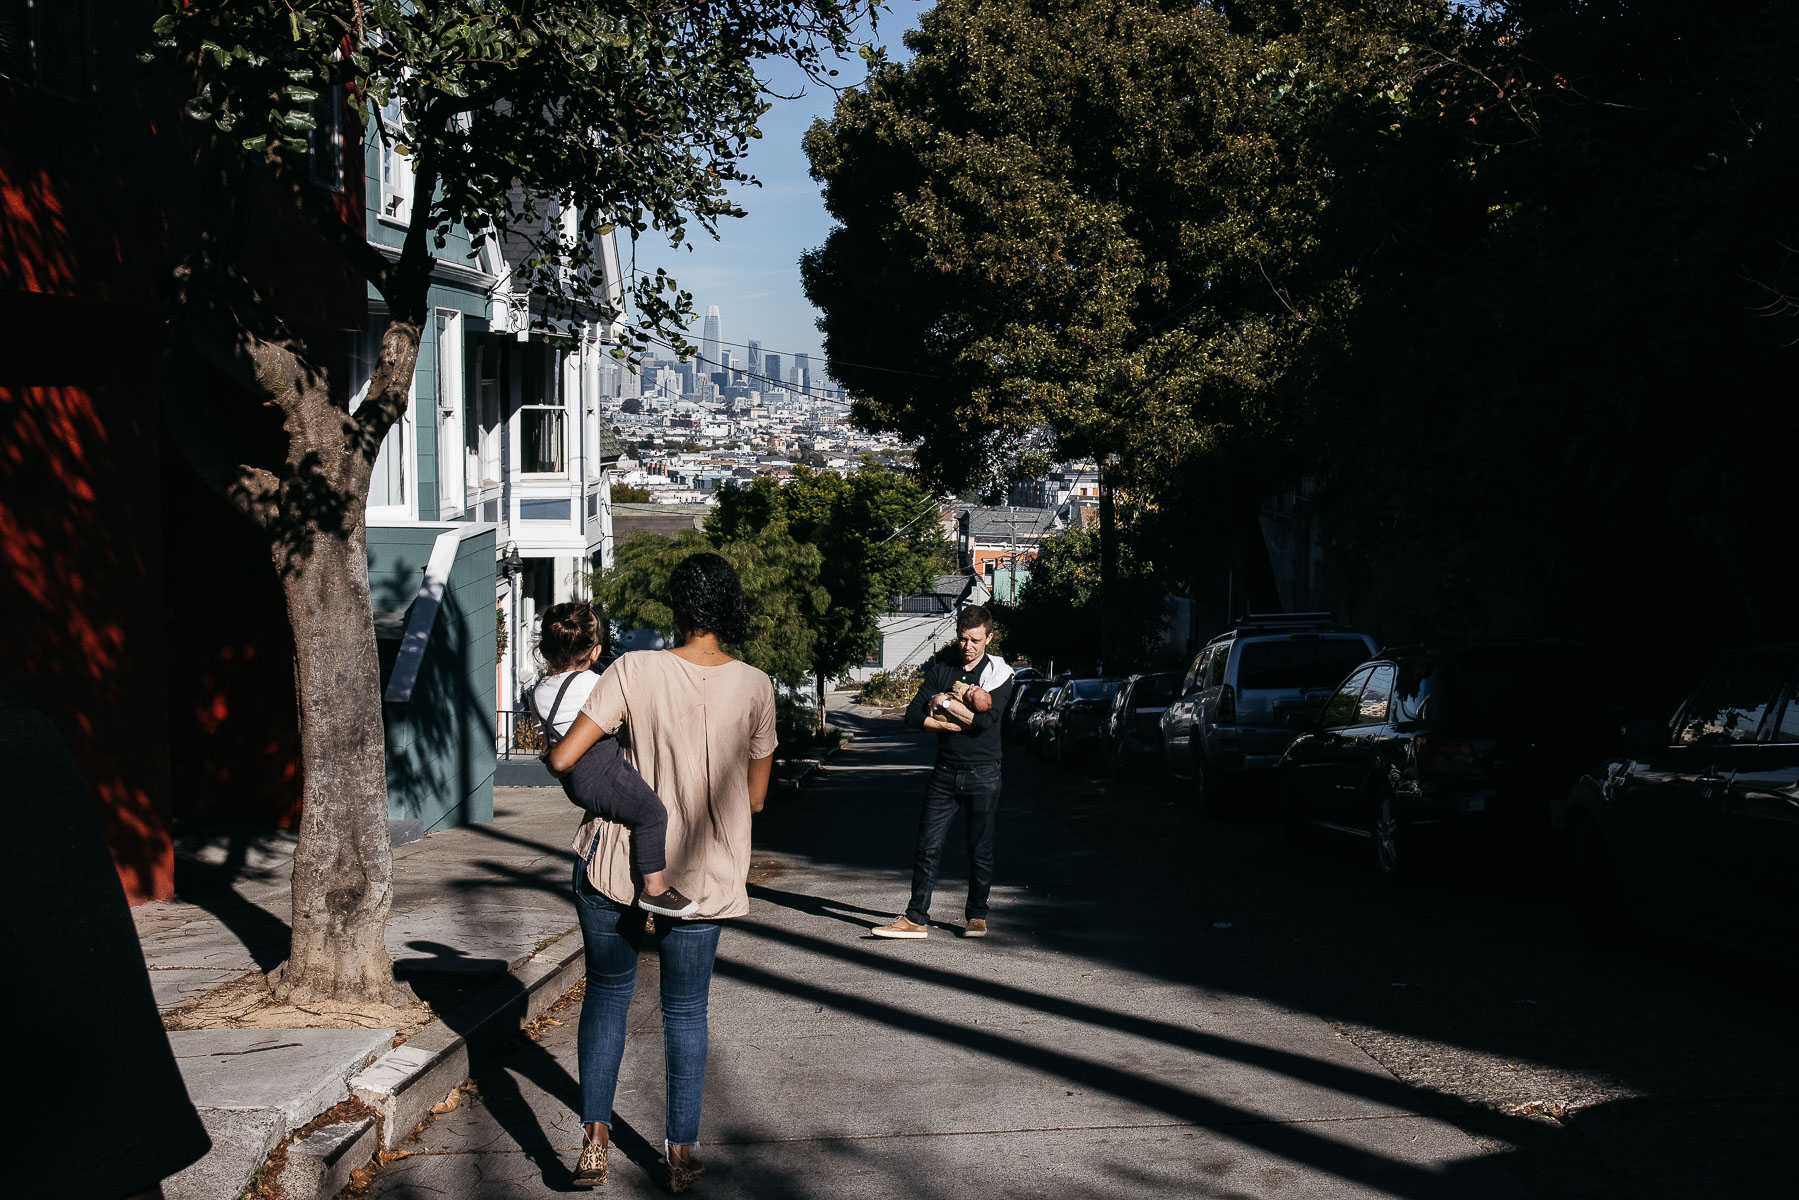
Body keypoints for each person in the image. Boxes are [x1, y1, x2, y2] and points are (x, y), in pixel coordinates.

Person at [546, 554, 777, 1193]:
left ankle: (595, 1139)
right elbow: (755, 799)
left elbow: (566, 755)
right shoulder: (757, 686)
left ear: (676, 608)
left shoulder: (633, 669)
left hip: (615, 859)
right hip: (704, 871)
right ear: (730, 609)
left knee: (608, 995)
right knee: (685, 1010)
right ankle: (680, 1153)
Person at [530, 601, 696, 917]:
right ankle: (655, 888)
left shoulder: (538, 690)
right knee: (651, 813)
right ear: (595, 652)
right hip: (599, 768)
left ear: (547, 648)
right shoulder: (592, 683)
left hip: (574, 778)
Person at [873, 605, 1015, 940]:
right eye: (964, 638)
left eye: (976, 640)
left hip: (984, 772)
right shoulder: (941, 667)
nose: (968, 646)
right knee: (927, 846)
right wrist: (937, 723)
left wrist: (946, 704)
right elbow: (911, 714)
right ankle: (916, 918)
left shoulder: (999, 674)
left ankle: (977, 916)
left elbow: (984, 723)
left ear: (989, 638)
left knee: (979, 847)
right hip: (945, 771)